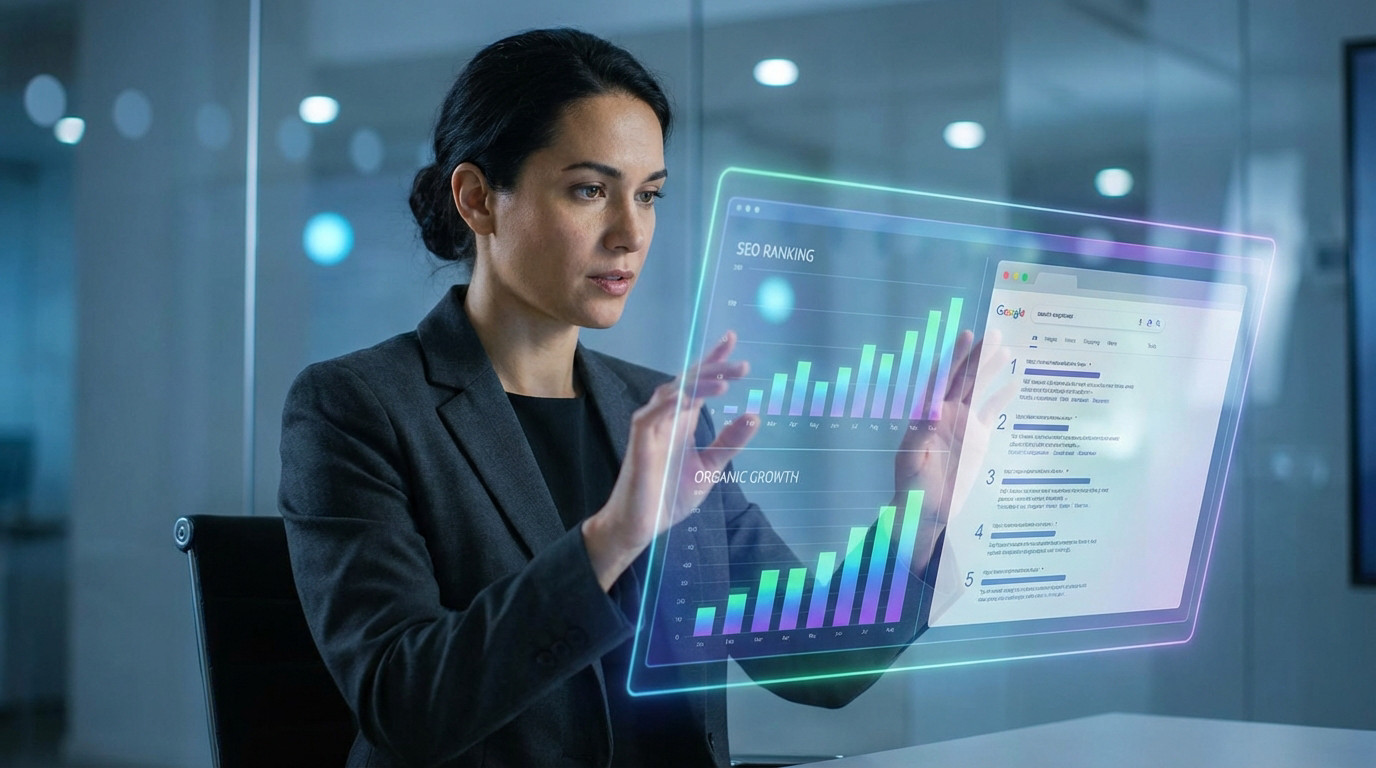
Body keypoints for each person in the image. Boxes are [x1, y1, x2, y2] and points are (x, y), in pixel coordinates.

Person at [280, 27, 997, 768]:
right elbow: (405, 705)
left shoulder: (657, 409)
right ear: (476, 199)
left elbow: (812, 665)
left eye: (648, 195)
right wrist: (612, 538)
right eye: (589, 190)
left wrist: (918, 516)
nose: (630, 234)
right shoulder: (357, 406)